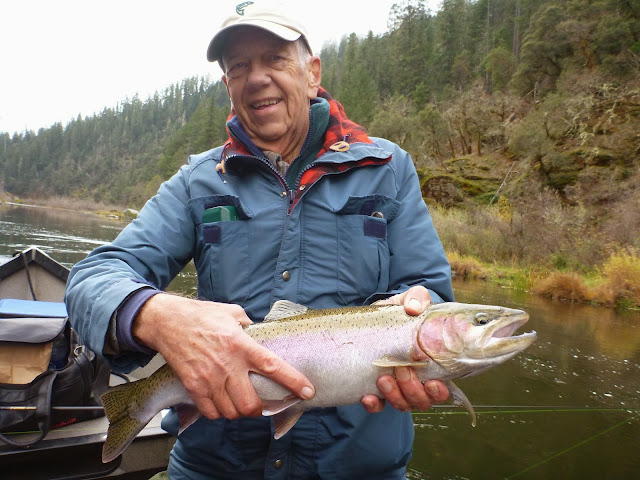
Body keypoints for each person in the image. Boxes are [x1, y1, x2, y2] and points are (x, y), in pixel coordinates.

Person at [65, 1, 454, 478]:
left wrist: (422, 313)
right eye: (239, 67)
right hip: (215, 466)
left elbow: (430, 292)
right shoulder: (198, 181)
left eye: (274, 59)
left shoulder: (388, 170)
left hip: (357, 467)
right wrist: (156, 314)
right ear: (228, 86)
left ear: (312, 74)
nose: (256, 77)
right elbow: (92, 278)